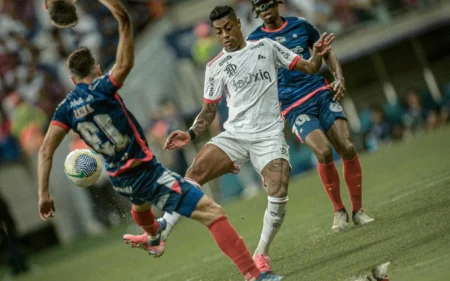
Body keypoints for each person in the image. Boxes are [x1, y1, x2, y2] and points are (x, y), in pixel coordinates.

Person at [37, 1, 280, 280]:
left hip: (119, 179)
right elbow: (125, 28)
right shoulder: (105, 87)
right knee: (212, 212)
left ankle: (153, 235)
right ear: (98, 67)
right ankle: (254, 275)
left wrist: (44, 194)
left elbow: (45, 150)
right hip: (144, 170)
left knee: (139, 204)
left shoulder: (65, 109)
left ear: (71, 78)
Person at [148, 4, 333, 274]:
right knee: (194, 172)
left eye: (227, 28)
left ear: (237, 23)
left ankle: (261, 252)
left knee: (279, 190)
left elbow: (309, 67)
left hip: (268, 135)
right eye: (218, 32)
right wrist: (189, 134)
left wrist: (317, 56)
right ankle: (163, 229)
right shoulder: (215, 66)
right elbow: (209, 110)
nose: (224, 35)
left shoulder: (266, 47)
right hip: (235, 135)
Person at [247, 0, 374, 233]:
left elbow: (326, 52)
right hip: (294, 105)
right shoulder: (254, 42)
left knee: (346, 146)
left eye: (268, 3)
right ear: (255, 11)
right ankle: (339, 210)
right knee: (324, 151)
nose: (265, 9)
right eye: (259, 6)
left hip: (320, 93)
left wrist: (339, 78)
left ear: (278, 4)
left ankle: (358, 210)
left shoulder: (301, 25)